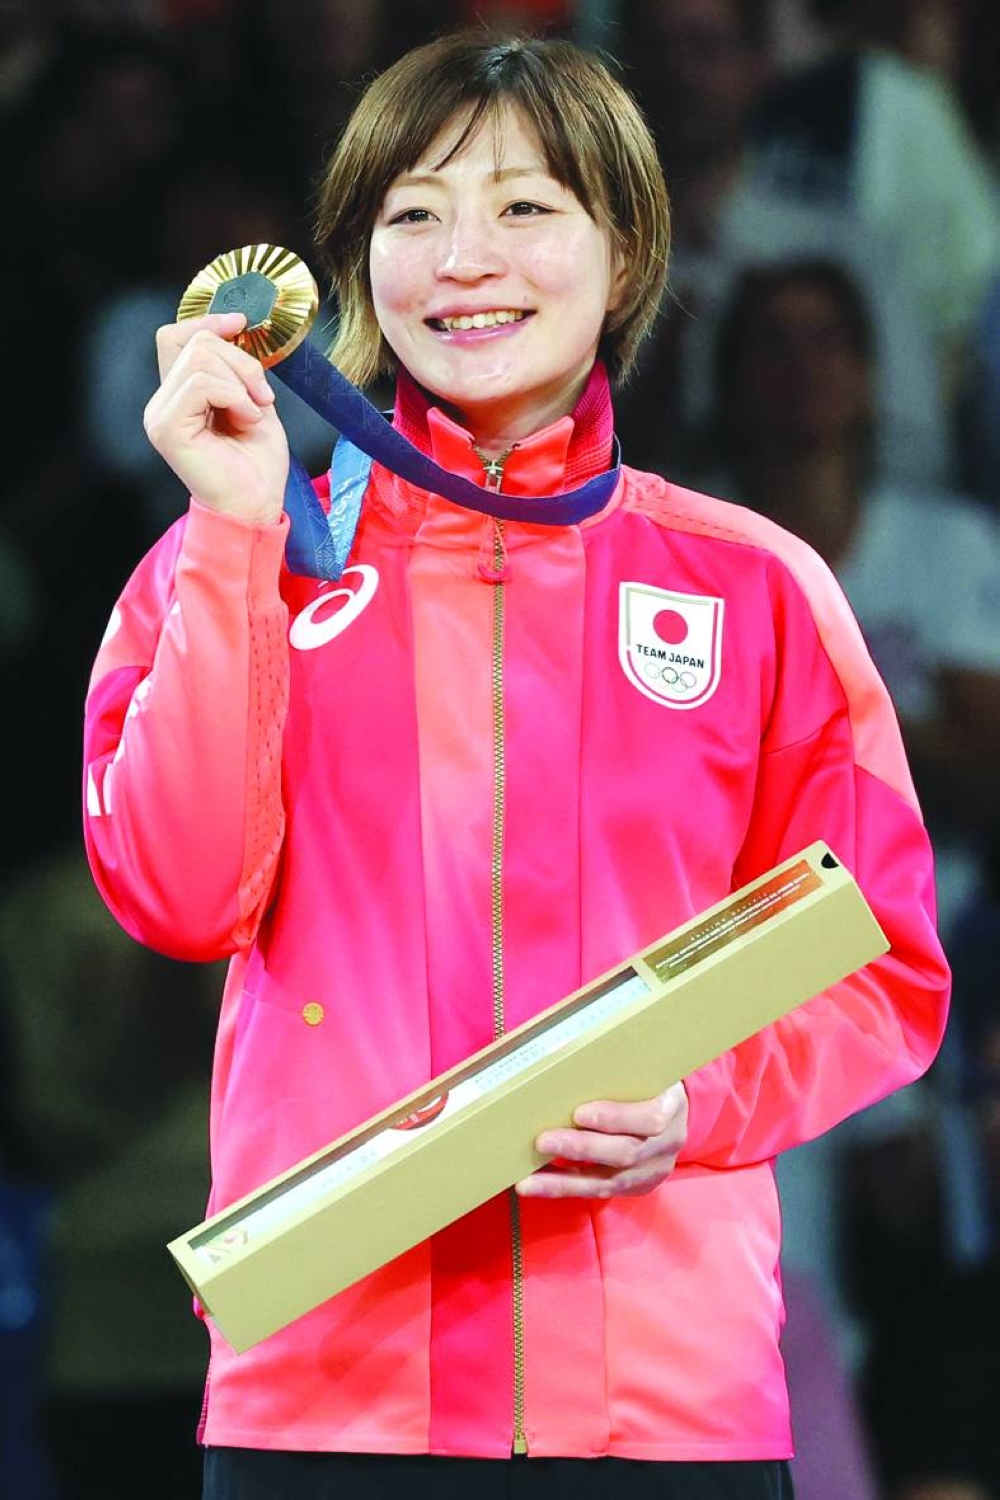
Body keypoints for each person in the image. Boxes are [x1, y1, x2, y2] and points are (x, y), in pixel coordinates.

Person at [81, 31, 950, 1500]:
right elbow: (175, 895)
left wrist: (705, 1098)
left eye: (525, 207)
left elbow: (881, 966)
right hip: (328, 1401)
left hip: (667, 1399)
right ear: (354, 271)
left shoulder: (756, 585)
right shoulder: (235, 559)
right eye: (412, 214)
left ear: (625, 253)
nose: (462, 258)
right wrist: (235, 528)